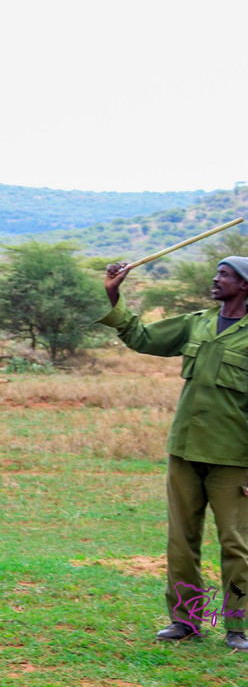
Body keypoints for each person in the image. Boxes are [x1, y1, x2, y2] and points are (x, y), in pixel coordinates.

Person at [100, 255, 248, 649]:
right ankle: (186, 622)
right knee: (181, 542)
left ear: (245, 285)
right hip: (184, 451)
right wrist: (114, 297)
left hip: (234, 458)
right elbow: (143, 339)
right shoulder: (196, 322)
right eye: (217, 273)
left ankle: (237, 628)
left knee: (235, 544)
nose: (215, 280)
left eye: (225, 275)